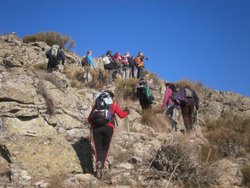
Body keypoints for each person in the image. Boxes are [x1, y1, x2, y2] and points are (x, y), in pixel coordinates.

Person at [87, 90, 129, 179]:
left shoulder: (97, 105)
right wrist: (127, 112)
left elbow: (89, 119)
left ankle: (98, 162)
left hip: (96, 128)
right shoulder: (113, 104)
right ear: (111, 97)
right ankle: (101, 164)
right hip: (108, 127)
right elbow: (121, 115)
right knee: (105, 148)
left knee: (98, 148)